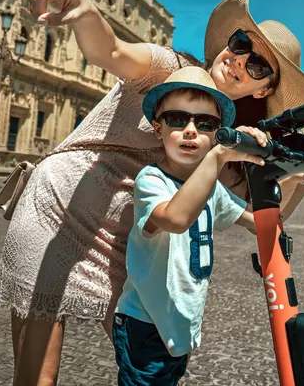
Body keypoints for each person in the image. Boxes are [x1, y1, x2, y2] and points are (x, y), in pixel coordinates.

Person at [0, 0, 304, 386]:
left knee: (148, 360)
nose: (238, 59)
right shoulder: (170, 67)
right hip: (60, 206)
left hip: (135, 236)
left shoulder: (228, 134)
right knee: (37, 362)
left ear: (265, 86)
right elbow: (114, 50)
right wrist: (84, 14)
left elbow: (265, 216)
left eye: (256, 64)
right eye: (240, 44)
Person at [113, 66, 265, 384]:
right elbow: (177, 218)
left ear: (216, 133)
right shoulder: (151, 180)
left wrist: (303, 172)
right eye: (178, 119)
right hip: (146, 323)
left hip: (181, 327)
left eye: (205, 123)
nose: (191, 130)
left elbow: (261, 222)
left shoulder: (209, 186)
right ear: (158, 128)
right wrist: (218, 158)